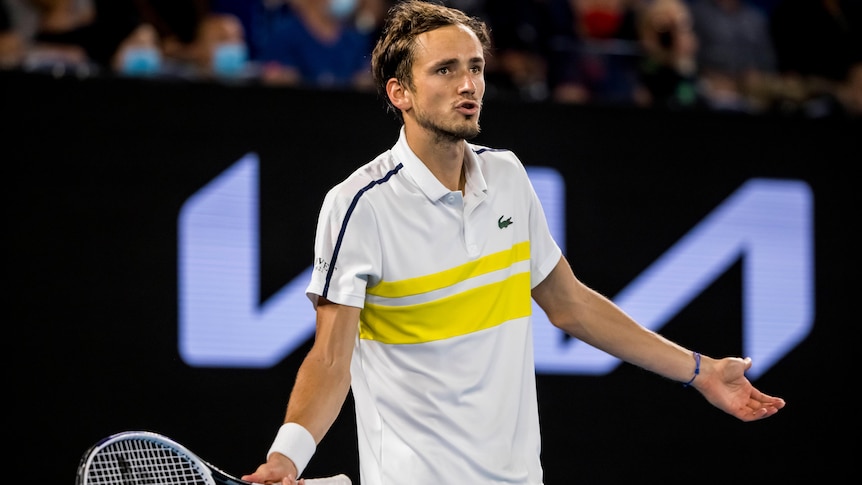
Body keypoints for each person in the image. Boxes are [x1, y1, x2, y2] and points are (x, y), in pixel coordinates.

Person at [242, 1, 786, 484]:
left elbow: (571, 306)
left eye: (475, 67)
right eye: (446, 70)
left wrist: (701, 371)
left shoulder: (507, 178)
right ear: (399, 92)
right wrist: (288, 458)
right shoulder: (359, 205)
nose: (469, 84)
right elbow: (331, 359)